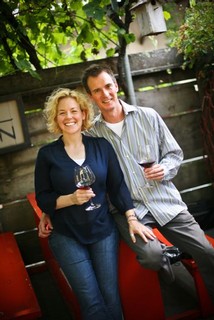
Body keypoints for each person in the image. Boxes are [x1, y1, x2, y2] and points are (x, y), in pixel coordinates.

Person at [39, 64, 214, 304]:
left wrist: (165, 168)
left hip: (165, 202)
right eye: (97, 90)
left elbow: (174, 154)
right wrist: (49, 210)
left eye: (108, 86)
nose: (105, 94)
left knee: (207, 252)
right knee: (152, 257)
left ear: (116, 85)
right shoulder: (91, 135)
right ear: (90, 97)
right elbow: (69, 172)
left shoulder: (148, 116)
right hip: (128, 209)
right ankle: (165, 259)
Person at [34, 88, 156, 320]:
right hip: (66, 234)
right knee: (90, 301)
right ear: (55, 118)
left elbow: (117, 186)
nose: (69, 117)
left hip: (103, 231)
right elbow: (43, 197)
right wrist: (70, 200)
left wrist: (131, 218)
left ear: (83, 114)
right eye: (62, 113)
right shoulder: (47, 154)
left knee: (111, 297)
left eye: (74, 111)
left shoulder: (101, 146)